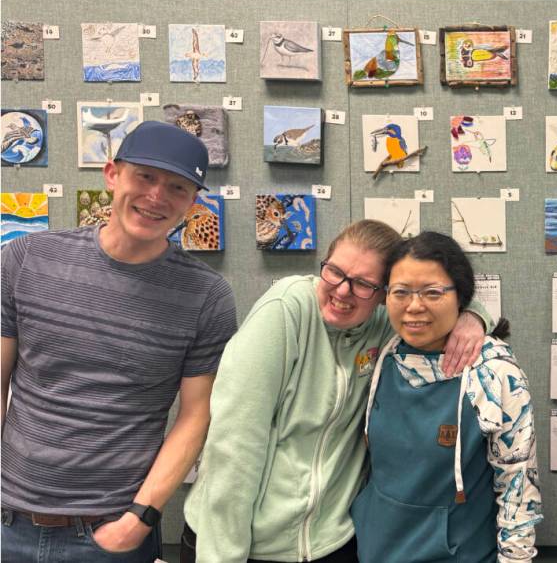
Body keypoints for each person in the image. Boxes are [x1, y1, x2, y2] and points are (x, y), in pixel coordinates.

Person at [182, 221, 494, 562]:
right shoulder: (287, 309)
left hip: (331, 543)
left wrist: (472, 316)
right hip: (245, 544)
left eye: (363, 284)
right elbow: (235, 445)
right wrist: (223, 556)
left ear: (384, 294)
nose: (343, 291)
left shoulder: (384, 327)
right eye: (334, 272)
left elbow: (438, 300)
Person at [1, 121, 237, 562]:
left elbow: (195, 415)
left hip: (111, 534)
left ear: (192, 203)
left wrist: (140, 518)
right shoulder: (25, 260)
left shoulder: (207, 297)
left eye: (177, 187)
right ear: (112, 174)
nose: (157, 197)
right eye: (145, 176)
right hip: (8, 524)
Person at [352, 231, 541, 562]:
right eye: (401, 292)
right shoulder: (381, 352)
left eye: (432, 292)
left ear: (460, 296)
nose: (414, 306)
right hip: (375, 549)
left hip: (459, 552)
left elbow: (517, 486)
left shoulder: (493, 372)